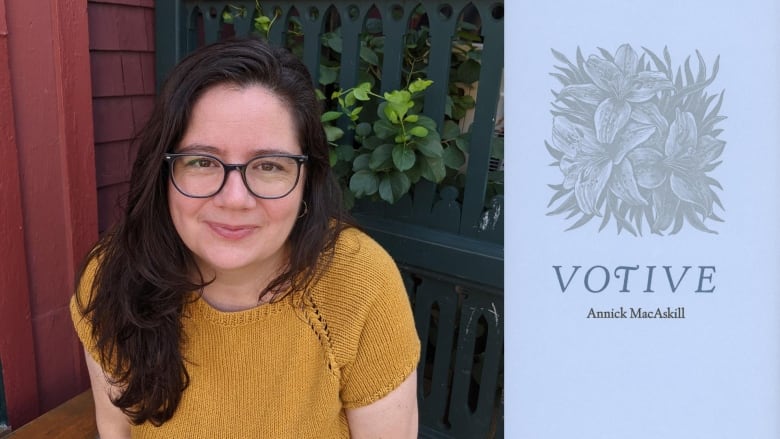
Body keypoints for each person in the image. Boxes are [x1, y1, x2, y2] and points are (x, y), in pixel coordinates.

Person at [70, 38, 420, 438]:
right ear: (163, 173)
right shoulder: (113, 275)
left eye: (269, 165)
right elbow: (117, 432)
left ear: (307, 180)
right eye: (202, 161)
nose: (234, 199)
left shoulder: (359, 283)